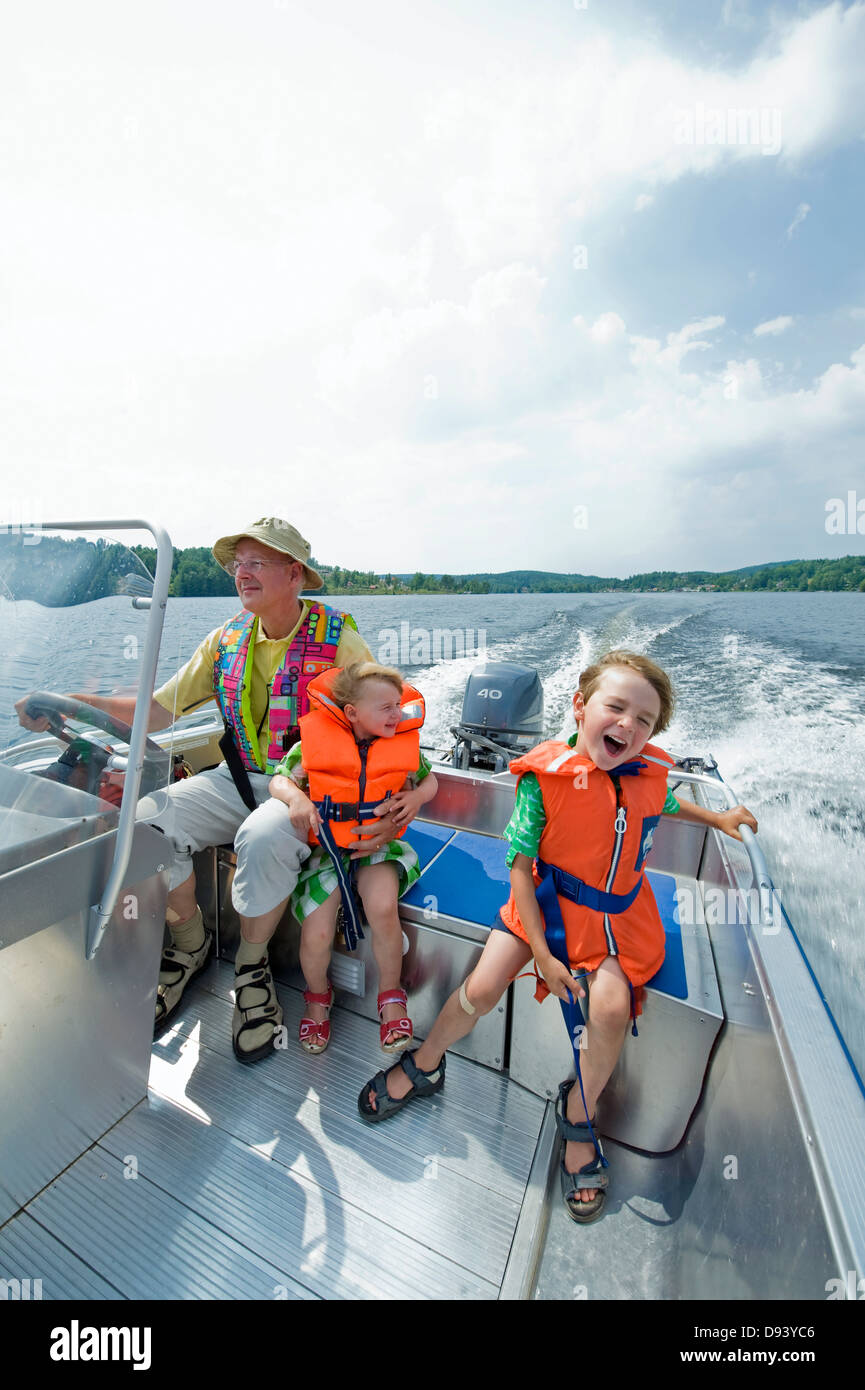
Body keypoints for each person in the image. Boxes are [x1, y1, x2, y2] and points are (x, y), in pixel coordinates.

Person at [357, 649, 758, 1225]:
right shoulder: (542, 781)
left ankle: (579, 1110)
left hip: (616, 920)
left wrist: (716, 820)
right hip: (542, 906)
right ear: (579, 708)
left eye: (644, 721)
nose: (628, 726)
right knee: (481, 989)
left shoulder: (648, 777)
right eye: (615, 708)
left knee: (613, 1009)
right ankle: (427, 1061)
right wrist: (542, 954)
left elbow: (666, 805)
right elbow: (519, 867)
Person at [16, 517, 386, 1063]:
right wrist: (63, 698)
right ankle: (191, 944)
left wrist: (393, 805)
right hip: (235, 779)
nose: (243, 573)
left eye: (256, 562)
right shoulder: (225, 641)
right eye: (238, 564)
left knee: (263, 837)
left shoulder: (341, 644)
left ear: (294, 575)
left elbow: (385, 722)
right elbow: (157, 710)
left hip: (308, 790)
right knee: (140, 824)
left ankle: (252, 966)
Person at [269, 662, 438, 1055]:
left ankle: (391, 995)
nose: (397, 714)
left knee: (382, 908)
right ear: (351, 713)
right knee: (317, 933)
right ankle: (316, 995)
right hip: (327, 852)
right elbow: (279, 778)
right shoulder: (312, 744)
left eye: (398, 705)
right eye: (385, 708)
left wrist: (416, 798)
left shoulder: (402, 744)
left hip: (379, 849)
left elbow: (431, 780)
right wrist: (295, 797)